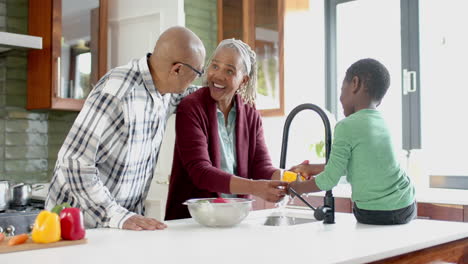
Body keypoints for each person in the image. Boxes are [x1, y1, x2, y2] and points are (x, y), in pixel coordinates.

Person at [46, 26, 206, 230]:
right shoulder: (119, 93)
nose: (197, 79)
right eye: (198, 73)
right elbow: (73, 162)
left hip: (117, 225)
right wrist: (117, 215)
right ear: (177, 69)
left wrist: (224, 89)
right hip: (78, 225)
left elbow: (191, 95)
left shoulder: (163, 90)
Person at [165, 39, 288, 220]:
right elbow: (200, 172)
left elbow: (260, 166)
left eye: (229, 71)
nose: (218, 76)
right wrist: (255, 187)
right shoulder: (191, 107)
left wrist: (288, 177)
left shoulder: (250, 113)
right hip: (193, 221)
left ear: (243, 80)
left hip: (235, 217)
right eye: (215, 66)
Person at [288, 58, 416, 225]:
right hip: (406, 205)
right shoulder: (382, 122)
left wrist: (297, 188)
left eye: (342, 89)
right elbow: (358, 166)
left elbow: (329, 180)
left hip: (375, 212)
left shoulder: (346, 126)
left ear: (355, 84)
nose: (340, 97)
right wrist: (312, 168)